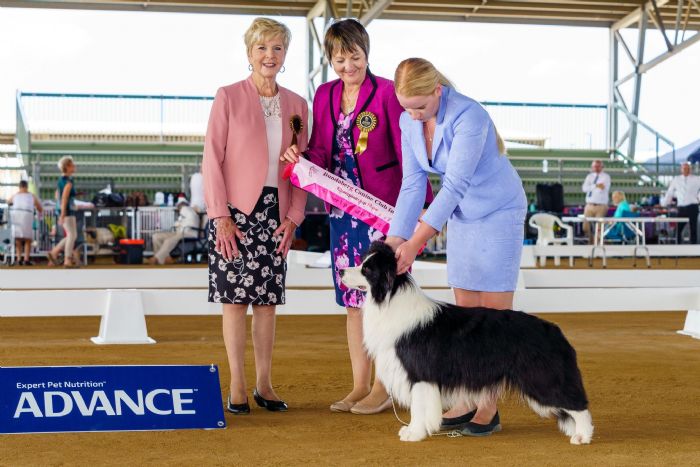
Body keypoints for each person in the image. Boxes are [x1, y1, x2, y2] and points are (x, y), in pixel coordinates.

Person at [281, 19, 432, 415]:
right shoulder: (325, 94)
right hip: (342, 214)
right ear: (330, 60)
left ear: (367, 53)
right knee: (352, 300)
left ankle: (384, 387)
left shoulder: (387, 93)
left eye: (355, 57)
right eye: (339, 59)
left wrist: (422, 206)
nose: (348, 66)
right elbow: (321, 149)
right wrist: (302, 159)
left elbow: (410, 154)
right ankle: (359, 385)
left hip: (384, 213)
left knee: (384, 300)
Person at [386, 58, 526, 436]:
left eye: (419, 106)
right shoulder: (408, 122)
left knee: (493, 314)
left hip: (498, 211)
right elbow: (413, 184)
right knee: (465, 313)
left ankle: (488, 405)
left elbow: (453, 186)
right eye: (405, 107)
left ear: (438, 91)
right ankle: (466, 395)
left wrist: (416, 243)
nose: (413, 115)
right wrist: (395, 239)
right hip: (463, 215)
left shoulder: (470, 116)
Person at [203, 17, 308, 415]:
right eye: (262, 47)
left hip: (276, 214)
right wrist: (220, 216)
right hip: (234, 214)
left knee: (267, 303)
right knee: (234, 302)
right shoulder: (227, 96)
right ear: (249, 53)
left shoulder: (298, 106)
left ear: (285, 54)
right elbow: (211, 160)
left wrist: (294, 216)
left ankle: (265, 384)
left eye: (277, 48)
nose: (270, 55)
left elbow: (302, 166)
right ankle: (237, 384)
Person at [47, 156, 79, 268]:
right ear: (67, 167)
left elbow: (57, 195)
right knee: (72, 235)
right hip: (67, 210)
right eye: (72, 164)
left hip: (63, 209)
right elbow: (64, 197)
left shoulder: (61, 180)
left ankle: (54, 252)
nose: (74, 166)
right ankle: (67, 260)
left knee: (72, 235)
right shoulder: (68, 181)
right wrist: (63, 213)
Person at [147, 200, 200, 265]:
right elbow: (179, 223)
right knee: (156, 236)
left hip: (188, 233)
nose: (178, 208)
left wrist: (178, 224)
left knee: (169, 240)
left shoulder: (186, 209)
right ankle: (164, 259)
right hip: (179, 232)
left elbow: (183, 224)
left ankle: (156, 258)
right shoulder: (184, 213)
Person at [662, 162, 700, 244]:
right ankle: (677, 247)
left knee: (693, 229)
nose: (686, 170)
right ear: (681, 170)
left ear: (690, 170)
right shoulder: (676, 179)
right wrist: (664, 204)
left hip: (693, 206)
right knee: (678, 228)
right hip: (681, 207)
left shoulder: (697, 179)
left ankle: (694, 248)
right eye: (684, 168)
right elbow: (670, 192)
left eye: (688, 168)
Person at [8, 180, 43, 266]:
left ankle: (19, 259)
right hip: (27, 216)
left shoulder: (15, 195)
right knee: (28, 239)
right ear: (27, 187)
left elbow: (8, 202)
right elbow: (40, 208)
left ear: (19, 187)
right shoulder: (31, 196)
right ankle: (26, 259)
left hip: (16, 216)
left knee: (18, 239)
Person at [581, 159, 611, 244]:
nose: (596, 168)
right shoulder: (589, 176)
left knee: (599, 227)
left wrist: (591, 186)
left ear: (602, 167)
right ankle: (590, 242)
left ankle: (598, 244)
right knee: (585, 226)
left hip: (601, 206)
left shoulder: (606, 177)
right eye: (594, 166)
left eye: (598, 166)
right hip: (589, 205)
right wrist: (595, 185)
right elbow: (584, 189)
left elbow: (602, 188)